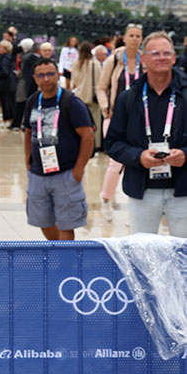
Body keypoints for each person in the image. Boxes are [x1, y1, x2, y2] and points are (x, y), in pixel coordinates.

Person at [103, 32, 187, 236]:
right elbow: (112, 143)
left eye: (167, 53)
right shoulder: (128, 98)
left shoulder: (184, 94)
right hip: (143, 190)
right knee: (143, 253)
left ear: (174, 58)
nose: (162, 58)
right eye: (155, 53)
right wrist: (138, 157)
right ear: (144, 58)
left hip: (183, 190)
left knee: (183, 256)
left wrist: (185, 154)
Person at [24, 58, 94, 240]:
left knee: (67, 224)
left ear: (58, 75)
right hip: (38, 174)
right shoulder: (32, 102)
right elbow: (28, 131)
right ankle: (57, 254)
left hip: (65, 174)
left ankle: (64, 264)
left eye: (50, 74)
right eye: (41, 75)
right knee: (43, 222)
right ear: (35, 78)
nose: (46, 79)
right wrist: (27, 161)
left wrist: (78, 170)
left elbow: (88, 136)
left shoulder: (71, 102)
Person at [96, 23, 144, 221]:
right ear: (124, 38)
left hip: (141, 118)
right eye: (131, 35)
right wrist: (106, 107)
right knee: (115, 163)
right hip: (116, 116)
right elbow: (101, 86)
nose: (134, 39)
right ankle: (106, 198)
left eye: (138, 36)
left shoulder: (145, 60)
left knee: (142, 159)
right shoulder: (114, 59)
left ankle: (139, 202)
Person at [70, 41, 102, 150]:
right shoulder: (96, 64)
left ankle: (82, 143)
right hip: (93, 97)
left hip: (79, 97)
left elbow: (73, 83)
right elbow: (100, 81)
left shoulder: (76, 64)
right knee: (95, 122)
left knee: (81, 123)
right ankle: (96, 145)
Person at [10, 37, 36, 131]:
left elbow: (23, 71)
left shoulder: (26, 58)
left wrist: (18, 74)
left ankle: (18, 123)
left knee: (21, 102)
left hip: (23, 82)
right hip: (26, 82)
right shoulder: (29, 56)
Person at [0, 39, 16, 125]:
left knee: (5, 102)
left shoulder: (5, 58)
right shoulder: (6, 57)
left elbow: (5, 72)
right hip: (7, 84)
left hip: (5, 84)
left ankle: (7, 120)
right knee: (8, 102)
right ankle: (9, 119)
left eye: (0, 47)